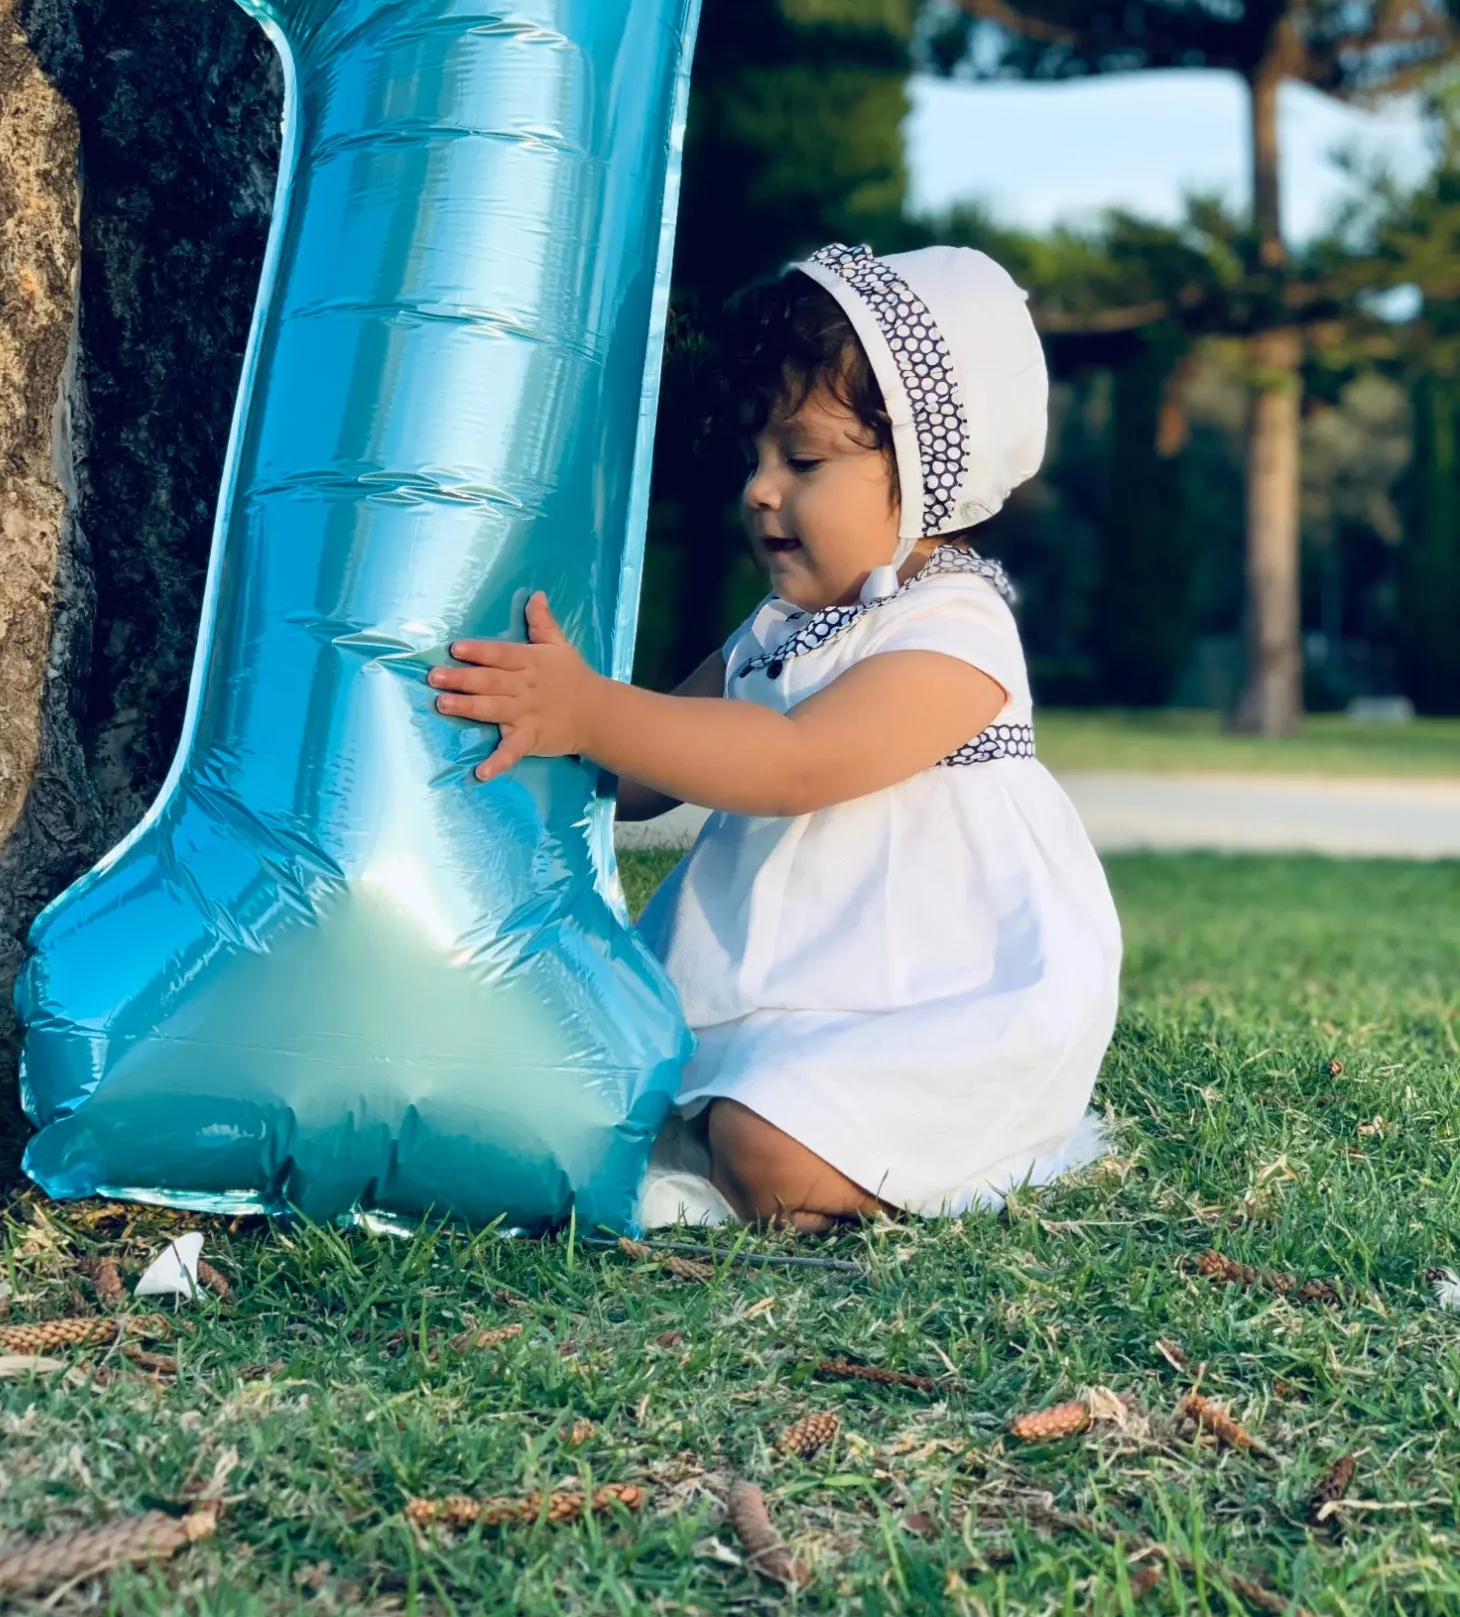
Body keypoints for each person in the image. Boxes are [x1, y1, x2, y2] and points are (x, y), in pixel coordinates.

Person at [428, 242, 1121, 1231]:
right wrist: (538, 724)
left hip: (929, 1000)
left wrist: (592, 708)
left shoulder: (955, 628)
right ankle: (738, 1118)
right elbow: (651, 775)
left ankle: (916, 1155)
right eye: (755, 456)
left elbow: (795, 765)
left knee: (768, 1150)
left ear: (929, 470)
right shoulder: (778, 627)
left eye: (803, 460)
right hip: (781, 987)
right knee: (594, 1086)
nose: (759, 488)